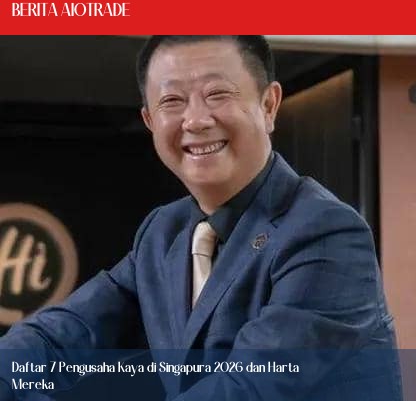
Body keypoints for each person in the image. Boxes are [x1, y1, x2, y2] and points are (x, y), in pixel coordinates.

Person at [0, 35, 402, 400]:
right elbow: (67, 331)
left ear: (268, 105)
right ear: (150, 121)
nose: (195, 120)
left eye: (217, 94)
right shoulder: (163, 232)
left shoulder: (326, 232)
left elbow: (247, 388)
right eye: (172, 101)